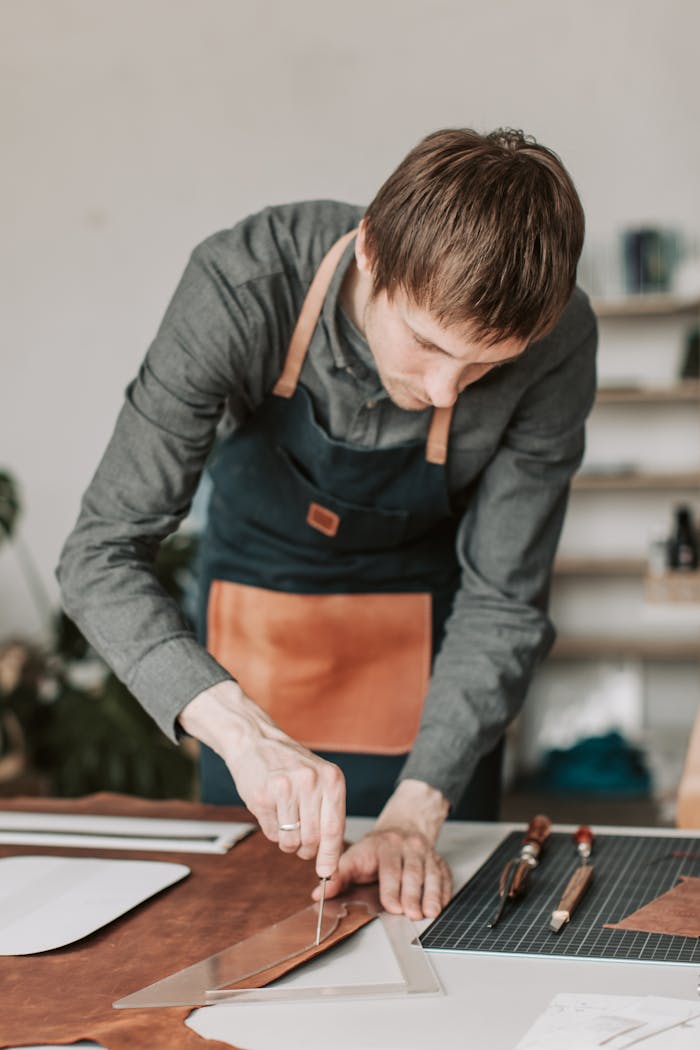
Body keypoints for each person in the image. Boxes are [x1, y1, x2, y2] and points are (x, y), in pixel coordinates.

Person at [58, 127, 597, 922]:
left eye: (487, 366)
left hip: (429, 659)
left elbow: (504, 602)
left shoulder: (560, 341)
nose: (449, 392)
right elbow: (100, 552)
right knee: (246, 923)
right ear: (371, 253)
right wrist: (237, 730)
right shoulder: (241, 286)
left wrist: (419, 810)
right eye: (427, 343)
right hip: (255, 631)